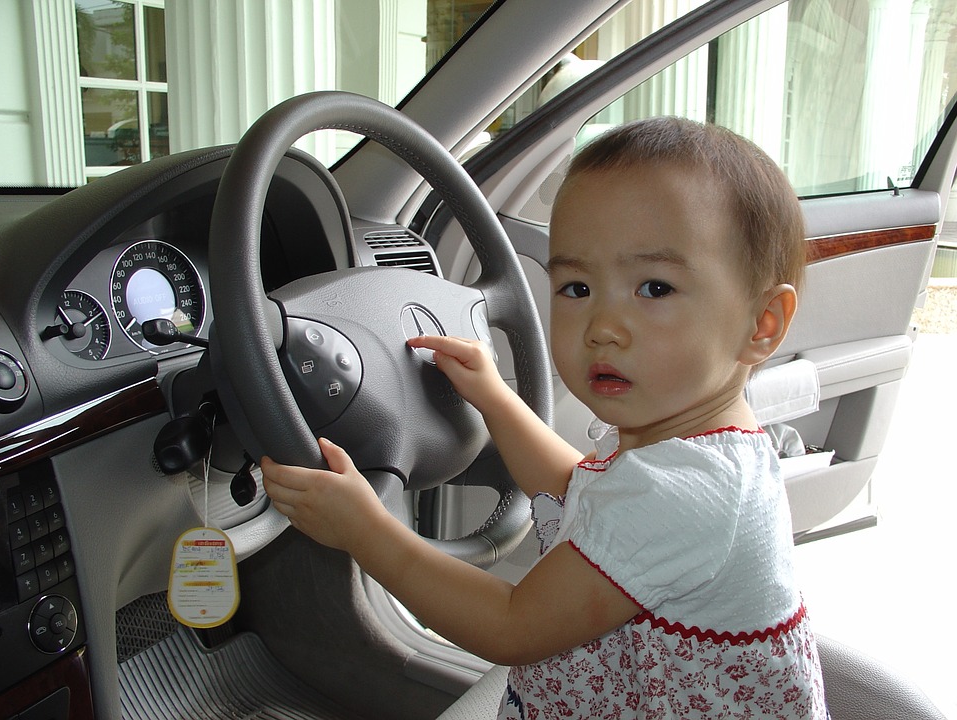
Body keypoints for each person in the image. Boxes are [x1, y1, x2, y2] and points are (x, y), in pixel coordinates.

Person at [261, 116, 828, 719]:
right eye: (577, 288)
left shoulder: (688, 493)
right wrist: (495, 399)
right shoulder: (697, 450)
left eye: (654, 289)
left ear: (762, 324)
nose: (602, 327)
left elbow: (511, 626)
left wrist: (364, 530)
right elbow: (582, 487)